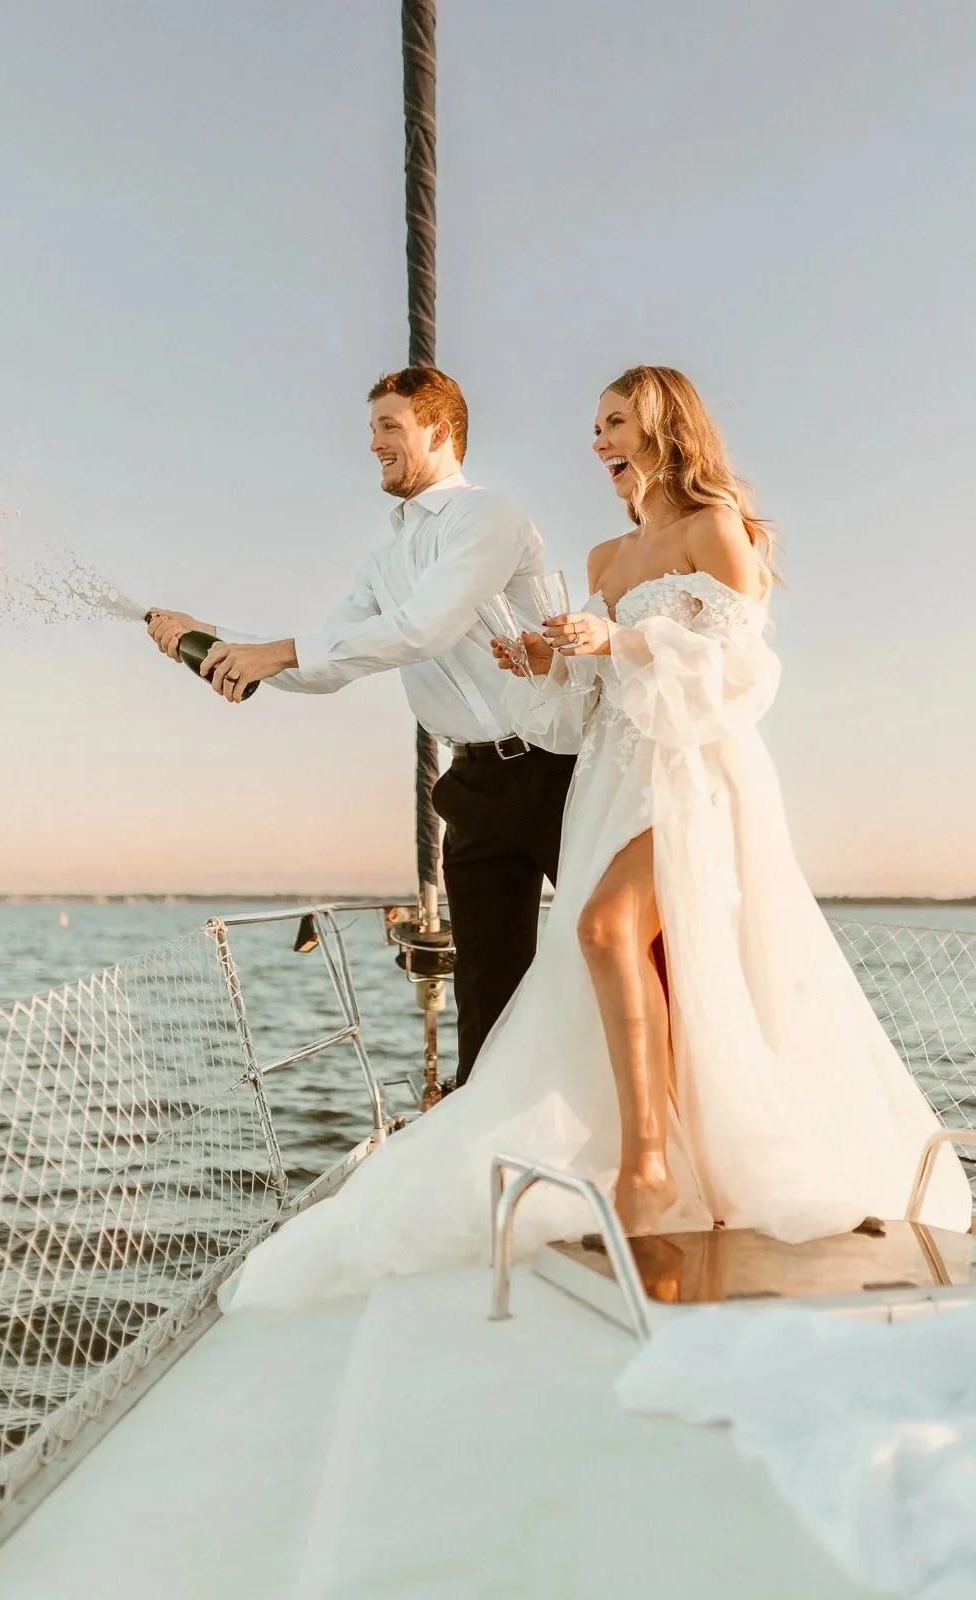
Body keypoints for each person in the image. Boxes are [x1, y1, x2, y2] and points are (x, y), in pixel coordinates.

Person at [218, 363, 971, 1314]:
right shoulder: (608, 561)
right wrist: (547, 658)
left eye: (615, 423)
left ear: (662, 429)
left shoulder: (716, 531)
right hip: (613, 776)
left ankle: (651, 1161)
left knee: (608, 932)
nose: (598, 440)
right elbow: (581, 707)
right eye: (595, 426)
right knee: (651, 960)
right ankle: (668, 1147)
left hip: (697, 773)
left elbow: (743, 674)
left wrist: (615, 643)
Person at [145, 367, 576, 1084]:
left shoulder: (487, 516)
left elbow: (424, 628)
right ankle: (483, 1153)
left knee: (617, 957)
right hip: (471, 786)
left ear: (440, 431)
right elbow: (325, 662)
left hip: (558, 768)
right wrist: (212, 640)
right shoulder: (385, 557)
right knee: (486, 999)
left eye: (389, 427)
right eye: (371, 428)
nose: (372, 443)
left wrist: (272, 651)